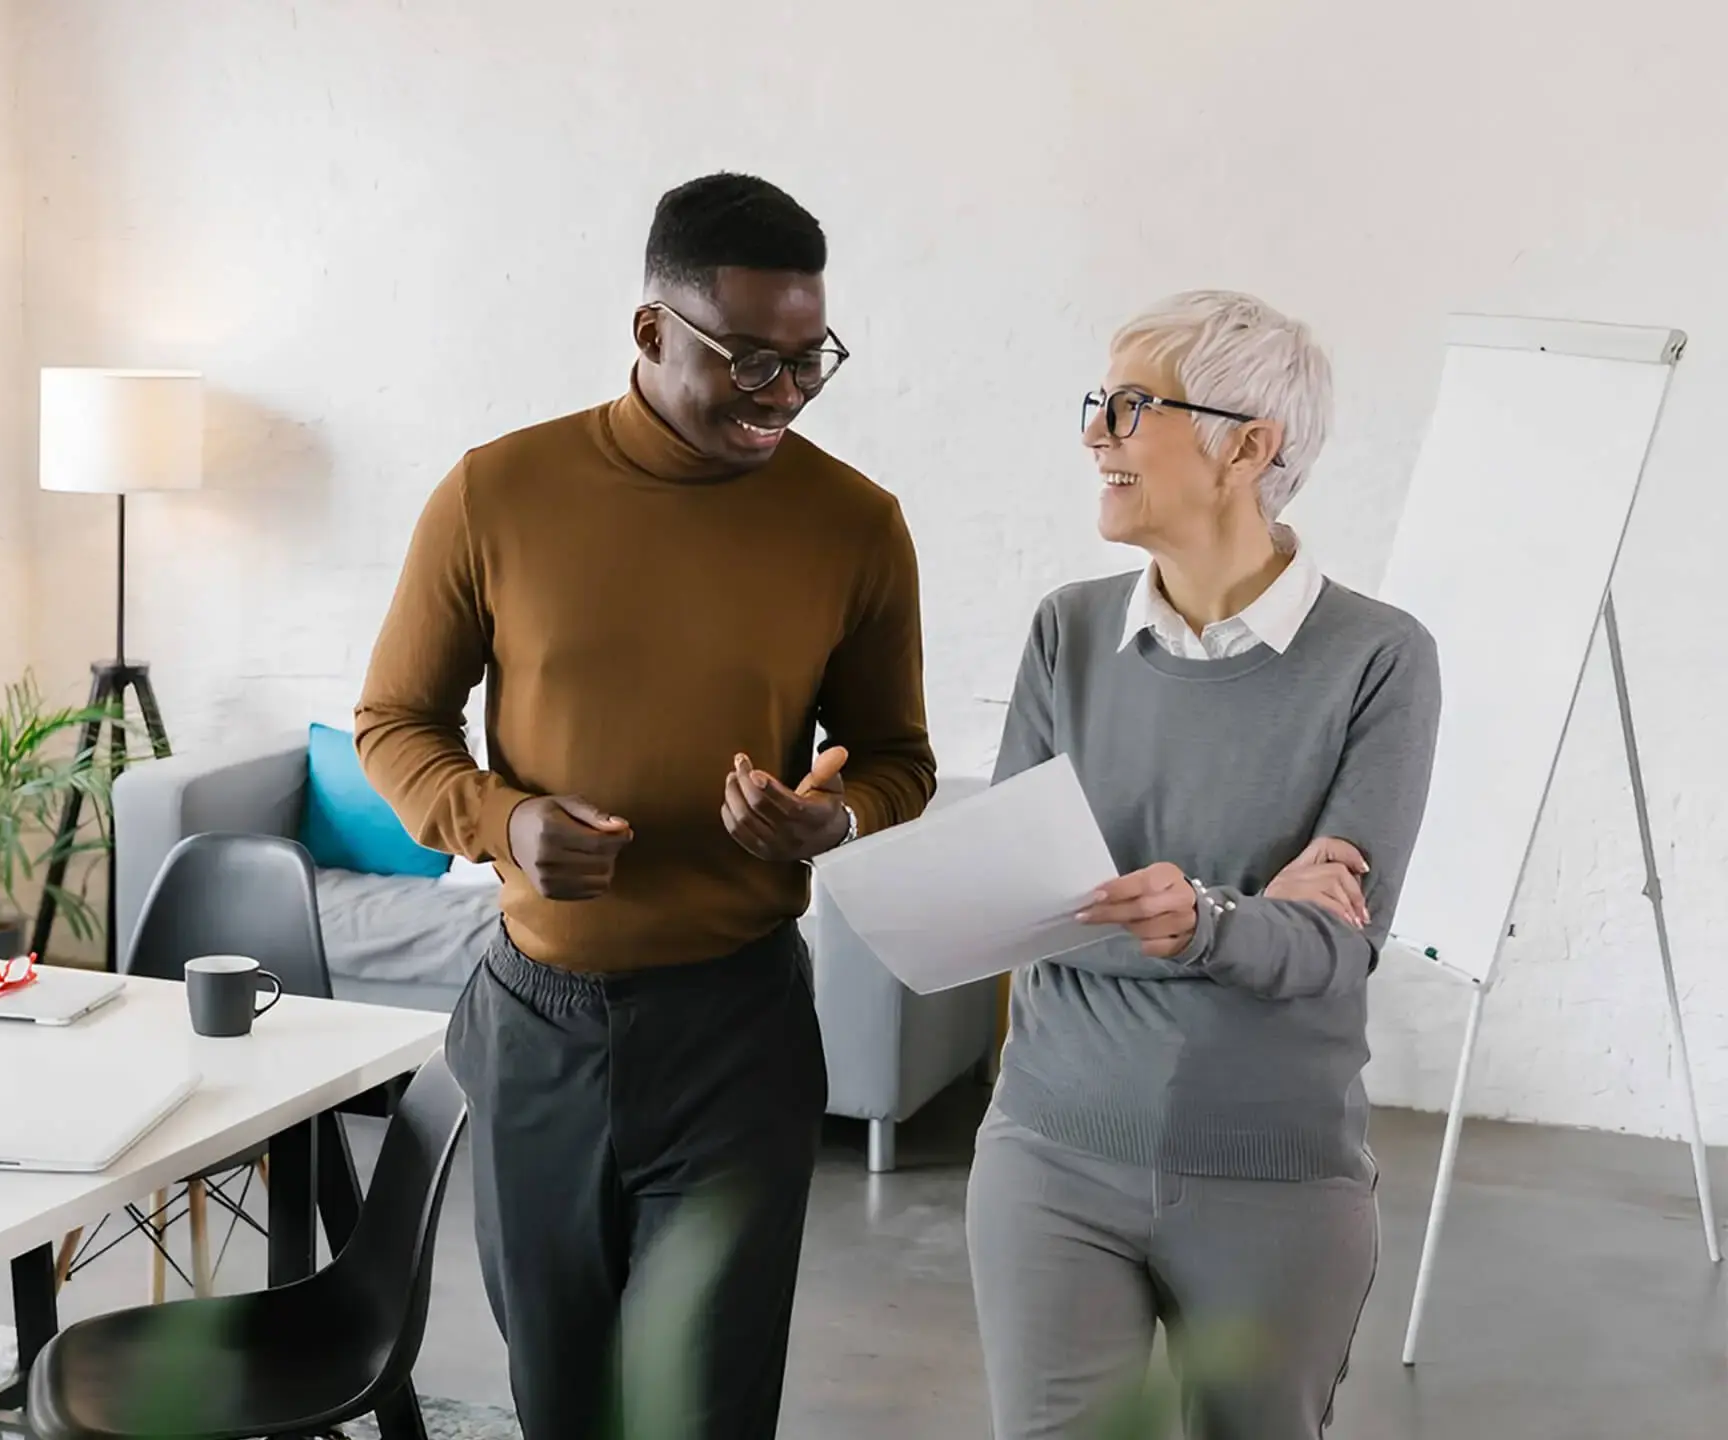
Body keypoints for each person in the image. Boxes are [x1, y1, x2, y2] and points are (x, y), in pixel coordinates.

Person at [354, 172, 935, 1440]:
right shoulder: (495, 493)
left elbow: (898, 760)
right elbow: (391, 726)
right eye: (747, 361)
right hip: (534, 1032)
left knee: (702, 1407)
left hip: (740, 1032)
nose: (780, 394)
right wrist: (502, 821)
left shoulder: (854, 525)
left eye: (808, 361)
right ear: (651, 332)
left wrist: (829, 821)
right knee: (561, 1399)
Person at [966, 290, 1441, 1440]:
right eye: (1101, 403)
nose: (1096, 433)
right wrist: (1238, 920)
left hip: (1274, 1179)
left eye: (1132, 407)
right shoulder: (1065, 632)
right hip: (1048, 1154)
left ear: (1249, 444)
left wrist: (1195, 921)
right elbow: (1021, 903)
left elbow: (1332, 950)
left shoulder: (1378, 659)